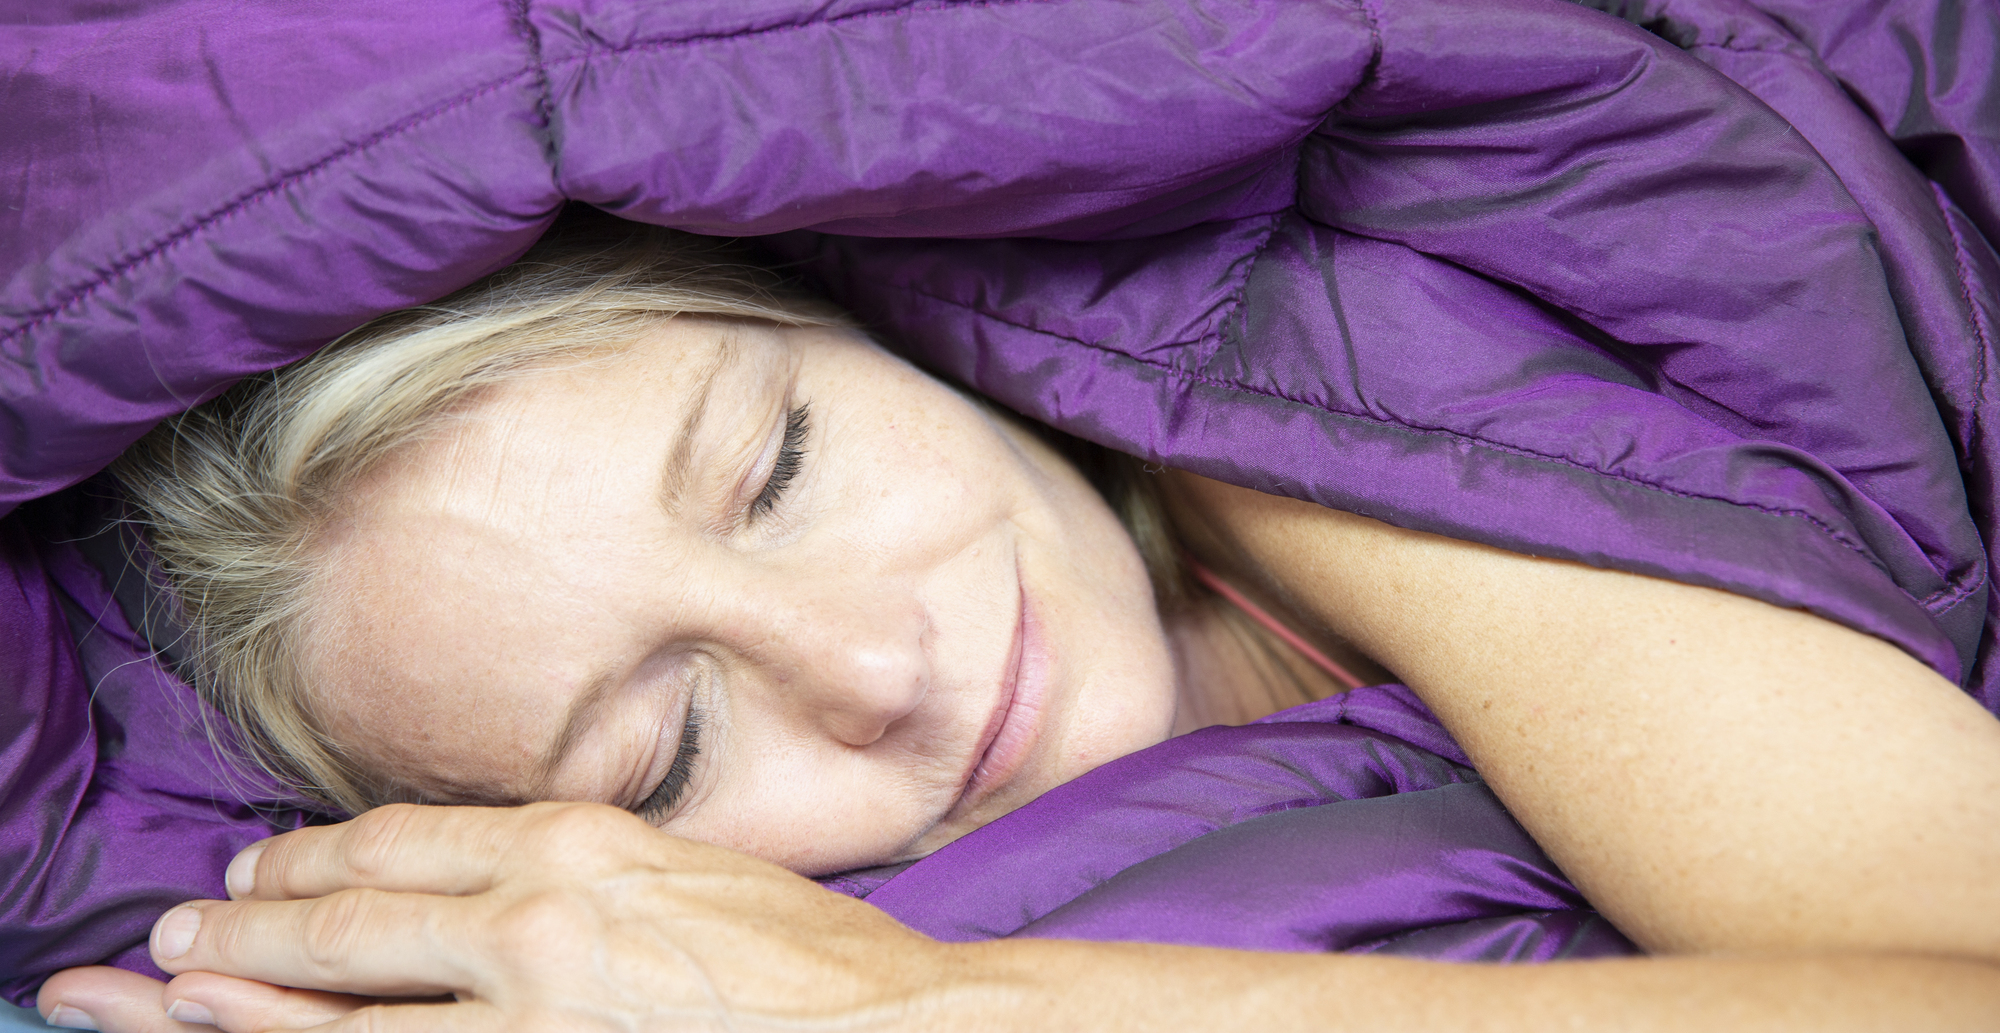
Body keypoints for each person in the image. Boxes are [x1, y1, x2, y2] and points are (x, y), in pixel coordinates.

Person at [34, 216, 2000, 1032]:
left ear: (859, 305)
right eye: (669, 752)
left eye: (779, 466)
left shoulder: (1324, 405)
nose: (875, 667)